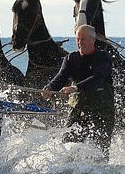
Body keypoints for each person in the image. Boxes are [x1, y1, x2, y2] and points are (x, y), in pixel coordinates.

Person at [41, 25, 114, 157]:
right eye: (78, 39)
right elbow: (61, 77)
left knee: (100, 152)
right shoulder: (70, 58)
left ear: (93, 40)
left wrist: (75, 88)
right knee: (67, 146)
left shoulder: (104, 57)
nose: (80, 42)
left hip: (102, 111)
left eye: (84, 39)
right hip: (78, 109)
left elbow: (97, 78)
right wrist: (50, 88)